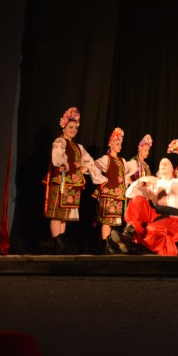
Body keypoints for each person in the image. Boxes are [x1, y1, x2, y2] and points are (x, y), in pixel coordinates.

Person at [43, 107, 104, 254]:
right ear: (63, 127)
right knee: (57, 214)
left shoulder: (78, 147)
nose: (73, 130)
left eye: (75, 128)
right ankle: (57, 242)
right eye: (70, 127)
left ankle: (61, 243)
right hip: (61, 182)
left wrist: (84, 168)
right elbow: (57, 156)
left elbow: (89, 162)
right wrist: (64, 162)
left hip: (72, 184)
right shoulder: (60, 141)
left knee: (64, 216)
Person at [115, 158, 178, 255]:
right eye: (161, 163)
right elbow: (128, 194)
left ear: (172, 168)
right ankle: (128, 234)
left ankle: (139, 246)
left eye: (167, 163)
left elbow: (170, 186)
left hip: (172, 220)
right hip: (156, 216)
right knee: (138, 200)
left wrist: (154, 181)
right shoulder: (153, 185)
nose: (163, 164)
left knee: (151, 229)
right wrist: (139, 181)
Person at [92, 127, 129, 254]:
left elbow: (125, 177)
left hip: (118, 195)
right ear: (111, 144)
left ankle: (108, 244)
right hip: (108, 194)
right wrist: (103, 179)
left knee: (112, 221)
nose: (120, 146)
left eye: (120, 144)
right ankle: (105, 245)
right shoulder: (106, 159)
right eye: (117, 144)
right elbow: (93, 166)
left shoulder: (122, 161)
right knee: (106, 221)